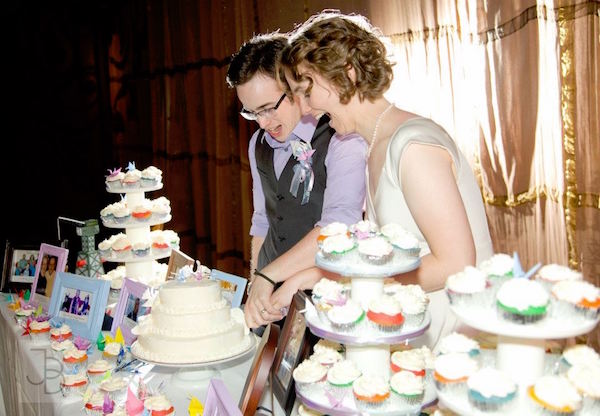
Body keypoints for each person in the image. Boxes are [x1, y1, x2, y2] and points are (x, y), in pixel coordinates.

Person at [273, 11, 494, 346]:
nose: (304, 109)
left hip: (454, 339)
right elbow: (382, 260)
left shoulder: (412, 145)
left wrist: (358, 290)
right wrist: (301, 278)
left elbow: (455, 264)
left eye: (308, 91)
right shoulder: (375, 144)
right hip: (415, 329)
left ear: (346, 75)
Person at [226, 32, 367, 329]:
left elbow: (337, 227)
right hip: (271, 295)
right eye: (252, 113)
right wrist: (257, 281)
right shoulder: (257, 144)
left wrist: (269, 275)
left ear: (295, 86)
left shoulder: (341, 138)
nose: (263, 123)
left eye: (267, 108)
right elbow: (263, 220)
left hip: (327, 297)